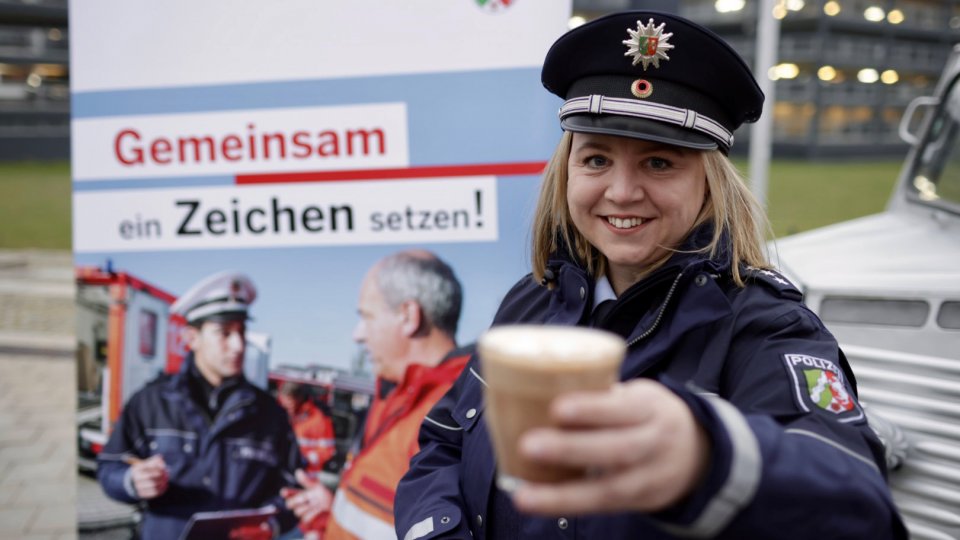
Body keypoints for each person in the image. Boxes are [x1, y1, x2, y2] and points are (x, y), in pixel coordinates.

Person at [394, 11, 907, 540]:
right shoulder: (530, 301)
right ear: (566, 172)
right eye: (596, 160)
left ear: (708, 184)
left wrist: (709, 458)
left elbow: (859, 504)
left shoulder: (765, 326)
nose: (621, 192)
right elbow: (445, 442)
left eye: (659, 163)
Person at [97, 271, 302, 540]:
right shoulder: (150, 402)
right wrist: (132, 481)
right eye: (224, 333)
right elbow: (109, 467)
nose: (238, 345)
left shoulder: (270, 415)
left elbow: (294, 490)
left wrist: (271, 525)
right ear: (192, 338)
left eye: (242, 332)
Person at [282, 250, 471, 539]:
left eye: (366, 317)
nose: (357, 335)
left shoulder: (455, 417)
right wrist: (331, 512)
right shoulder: (396, 399)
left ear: (408, 316)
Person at [277, 381, 338, 476]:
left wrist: (306, 460)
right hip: (282, 474)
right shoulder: (282, 416)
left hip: (307, 477)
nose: (286, 407)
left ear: (299, 399)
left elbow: (327, 450)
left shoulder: (319, 419)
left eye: (289, 403)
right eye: (283, 403)